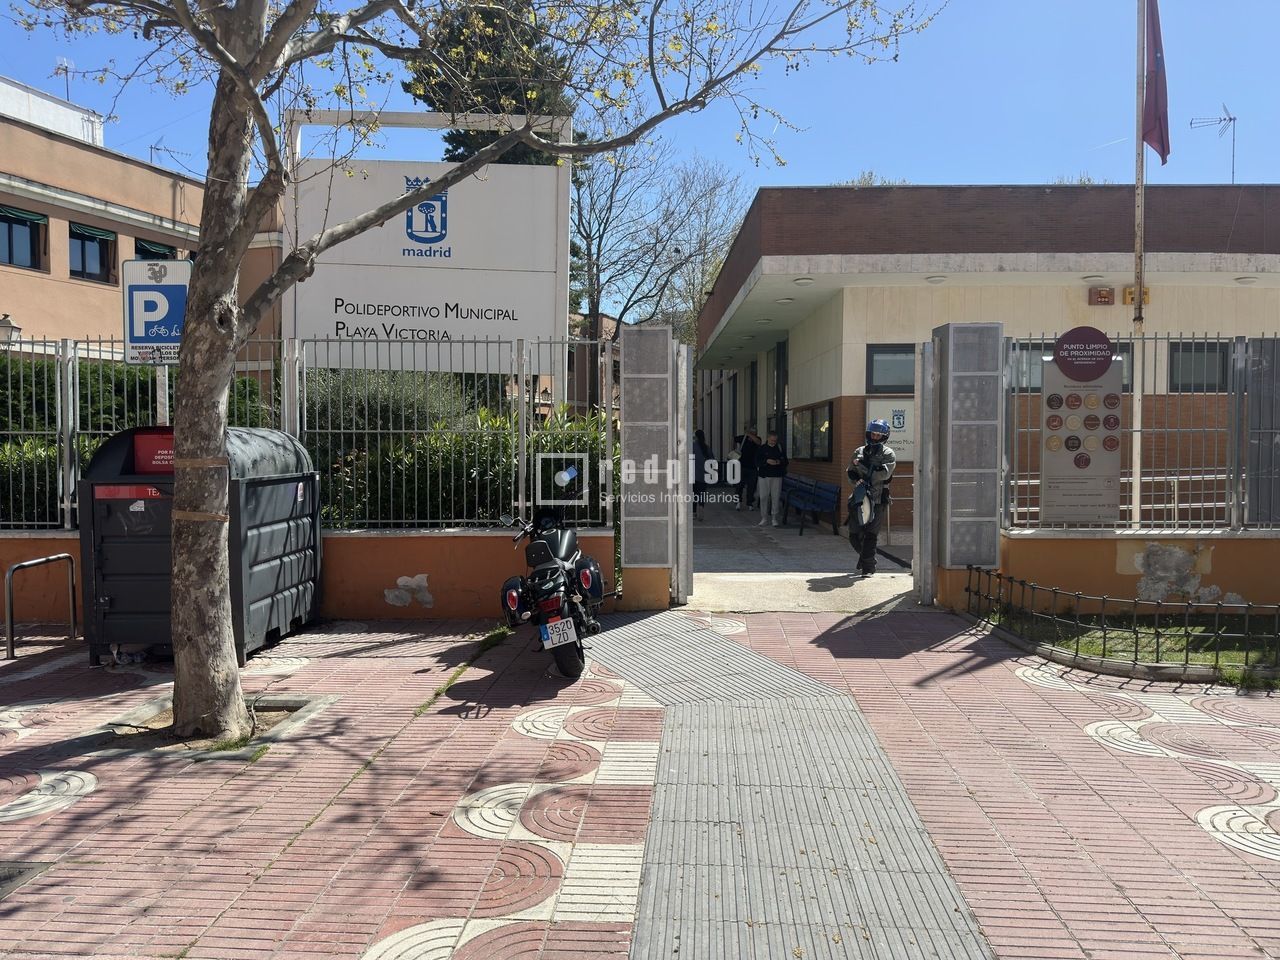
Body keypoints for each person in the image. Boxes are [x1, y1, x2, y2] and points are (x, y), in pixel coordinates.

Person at [847, 418, 896, 576]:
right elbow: (850, 471)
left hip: (878, 498)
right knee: (854, 535)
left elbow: (883, 474)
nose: (875, 437)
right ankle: (866, 558)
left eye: (878, 435)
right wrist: (856, 478)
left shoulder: (888, 454)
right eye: (873, 434)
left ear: (884, 436)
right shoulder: (859, 451)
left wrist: (861, 466)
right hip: (860, 497)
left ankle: (868, 567)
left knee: (870, 534)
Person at [755, 430, 788, 527]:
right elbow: (756, 461)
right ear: (768, 438)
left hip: (776, 476)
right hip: (764, 476)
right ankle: (764, 518)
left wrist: (778, 462)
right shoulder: (762, 448)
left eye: (775, 440)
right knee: (763, 497)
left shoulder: (779, 448)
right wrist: (766, 461)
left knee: (775, 497)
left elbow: (785, 461)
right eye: (772, 440)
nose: (773, 442)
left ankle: (774, 518)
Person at [735, 426, 761, 511]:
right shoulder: (743, 438)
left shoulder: (757, 439)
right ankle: (738, 501)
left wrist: (749, 434)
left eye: (754, 432)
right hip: (742, 466)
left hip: (753, 467)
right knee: (739, 485)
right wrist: (736, 449)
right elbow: (734, 439)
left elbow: (758, 442)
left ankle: (750, 503)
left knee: (752, 486)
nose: (753, 434)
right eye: (752, 432)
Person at [692, 429, 714, 521]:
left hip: (693, 475)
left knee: (693, 494)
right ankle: (701, 507)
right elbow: (712, 460)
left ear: (696, 437)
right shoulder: (707, 447)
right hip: (704, 476)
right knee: (702, 493)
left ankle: (694, 513)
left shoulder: (692, 447)